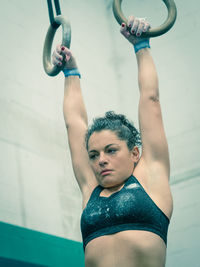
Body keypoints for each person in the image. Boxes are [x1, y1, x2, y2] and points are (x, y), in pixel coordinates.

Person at [52, 15, 173, 267]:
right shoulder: (91, 189)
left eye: (111, 150)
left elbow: (150, 99)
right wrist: (70, 72)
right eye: (94, 155)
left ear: (135, 153)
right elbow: (73, 123)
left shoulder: (151, 176)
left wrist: (141, 47)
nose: (100, 160)